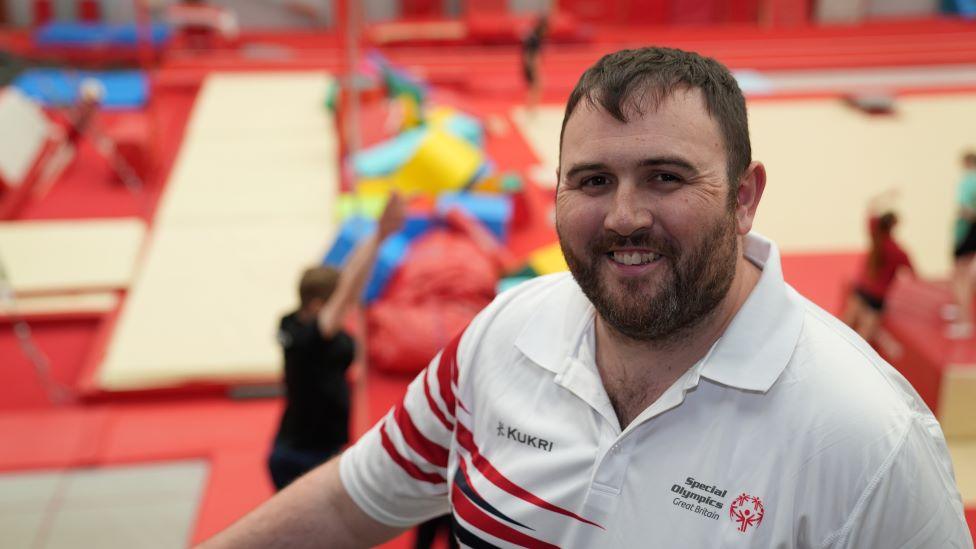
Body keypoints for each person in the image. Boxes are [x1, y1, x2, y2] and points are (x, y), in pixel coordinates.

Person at [201, 48, 971, 548]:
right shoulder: (502, 337)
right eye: (593, 181)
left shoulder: (869, 441)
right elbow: (346, 505)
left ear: (744, 198)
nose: (626, 215)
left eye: (666, 177)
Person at [268, 193, 405, 491]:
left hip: (311, 443)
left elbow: (345, 284)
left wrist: (373, 240)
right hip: (303, 456)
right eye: (338, 306)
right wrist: (378, 237)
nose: (346, 310)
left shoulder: (293, 320)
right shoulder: (308, 337)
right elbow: (345, 293)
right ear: (318, 305)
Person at [841, 190, 913, 343]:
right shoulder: (898, 251)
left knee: (843, 327)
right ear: (894, 226)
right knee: (863, 338)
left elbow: (870, 206)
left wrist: (887, 196)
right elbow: (913, 274)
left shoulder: (875, 235)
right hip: (876, 297)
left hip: (861, 288)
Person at [948, 151, 976, 339]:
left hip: (967, 231)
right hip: (970, 231)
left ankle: (964, 321)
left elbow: (965, 208)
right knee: (963, 275)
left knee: (961, 276)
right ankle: (960, 311)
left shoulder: (967, 181)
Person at [521, 8, 549, 112]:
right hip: (530, 65)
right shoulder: (534, 39)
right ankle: (530, 108)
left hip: (528, 64)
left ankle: (531, 108)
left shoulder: (533, 36)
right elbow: (530, 55)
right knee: (536, 86)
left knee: (535, 87)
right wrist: (533, 69)